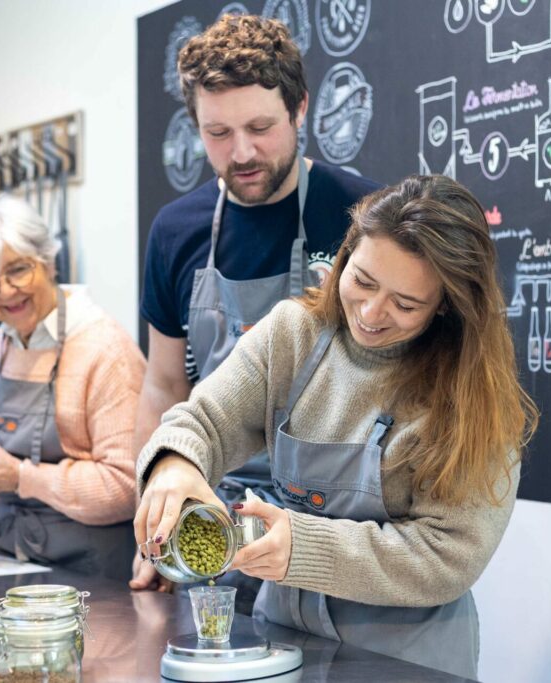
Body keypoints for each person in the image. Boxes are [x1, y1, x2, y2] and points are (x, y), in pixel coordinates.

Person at [133, 175, 539, 679]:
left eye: (405, 304)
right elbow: (202, 421)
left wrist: (302, 548)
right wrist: (174, 466)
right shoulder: (293, 335)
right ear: (345, 257)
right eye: (362, 281)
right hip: (285, 641)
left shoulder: (470, 396)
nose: (370, 313)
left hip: (405, 658)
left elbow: (446, 557)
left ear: (447, 304)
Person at [132, 13, 382, 597]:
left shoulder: (365, 217)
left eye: (260, 127)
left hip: (332, 519)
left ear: (300, 109)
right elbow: (163, 384)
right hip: (213, 516)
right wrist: (151, 513)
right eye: (218, 133)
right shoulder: (175, 231)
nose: (241, 152)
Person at [0, 196, 144, 581]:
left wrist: (23, 478)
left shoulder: (105, 350)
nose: (5, 291)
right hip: (12, 564)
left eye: (18, 270)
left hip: (95, 576)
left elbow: (127, 488)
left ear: (48, 262)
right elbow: (0, 473)